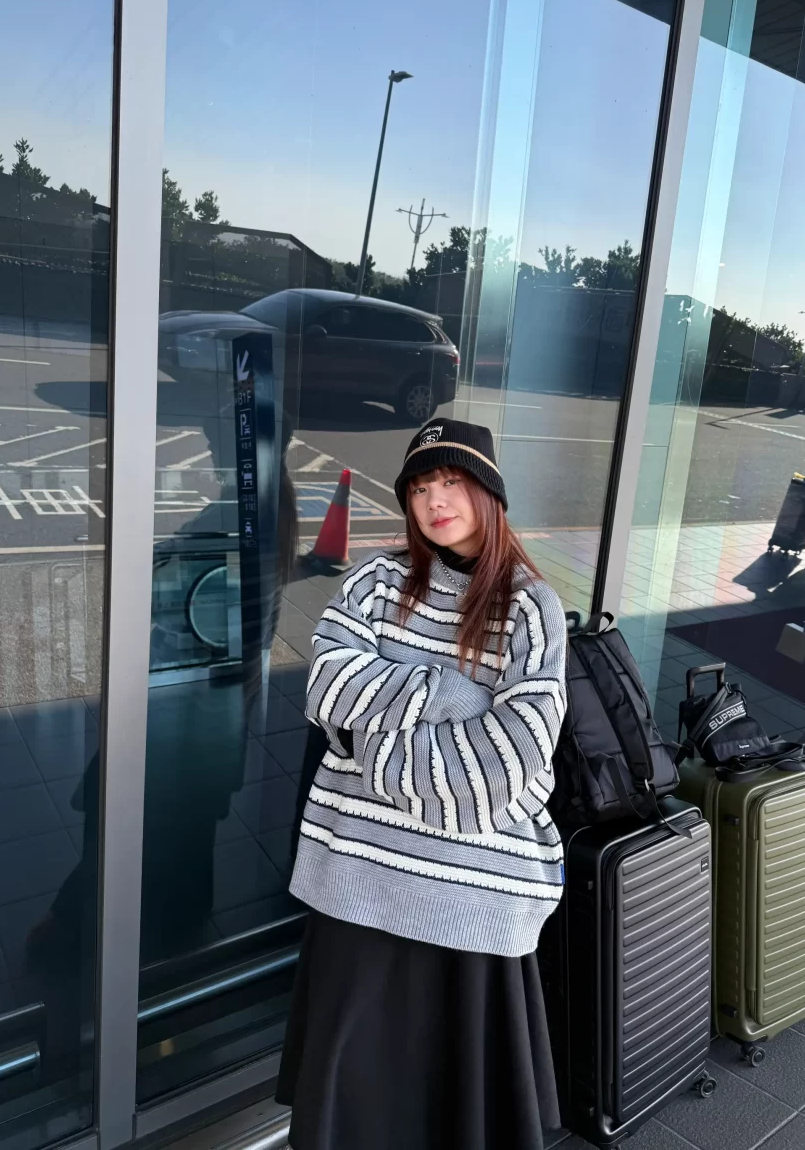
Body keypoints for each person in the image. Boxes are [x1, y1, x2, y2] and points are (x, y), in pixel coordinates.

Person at [276, 418, 568, 1150]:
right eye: (419, 487)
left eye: (452, 481)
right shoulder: (377, 581)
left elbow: (506, 768)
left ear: (488, 493)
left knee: (450, 1112)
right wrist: (448, 693)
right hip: (359, 879)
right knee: (351, 1111)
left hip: (474, 892)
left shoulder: (530, 608)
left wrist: (374, 745)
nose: (434, 500)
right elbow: (327, 687)